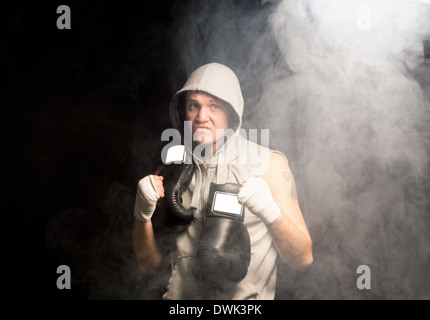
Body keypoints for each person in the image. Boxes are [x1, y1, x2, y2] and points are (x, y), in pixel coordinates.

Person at [132, 62, 313, 299]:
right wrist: (141, 214)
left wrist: (270, 212)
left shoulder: (268, 165)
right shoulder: (170, 171)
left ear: (231, 112)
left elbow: (302, 259)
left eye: (214, 106)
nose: (201, 117)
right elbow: (150, 266)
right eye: (193, 106)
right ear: (183, 111)